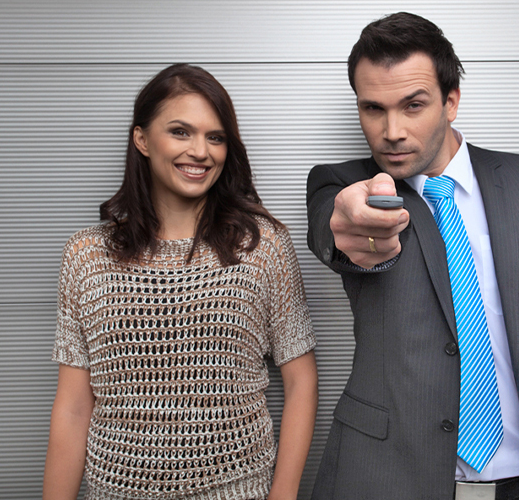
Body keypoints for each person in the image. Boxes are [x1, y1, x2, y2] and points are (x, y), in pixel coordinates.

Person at [306, 13, 519, 500]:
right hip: (387, 482)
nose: (392, 131)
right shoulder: (341, 185)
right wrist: (351, 226)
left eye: (413, 105)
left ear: (451, 101)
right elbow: (334, 224)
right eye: (373, 108)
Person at [43, 64, 318, 500]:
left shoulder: (262, 247)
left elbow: (301, 382)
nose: (201, 152)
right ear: (142, 139)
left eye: (216, 137)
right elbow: (74, 407)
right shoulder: (86, 255)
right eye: (180, 132)